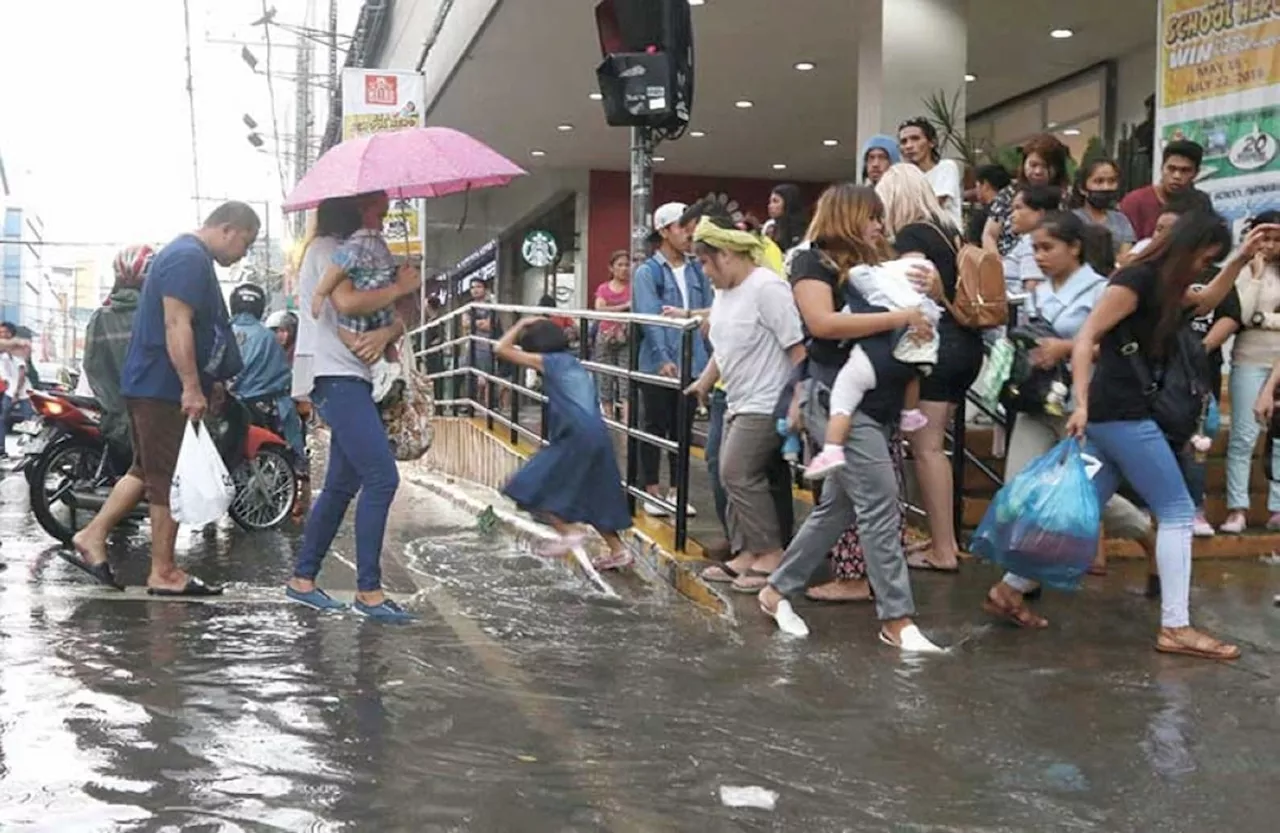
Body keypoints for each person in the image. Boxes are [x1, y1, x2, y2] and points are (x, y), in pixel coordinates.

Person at [756, 183, 944, 651]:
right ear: (848, 216)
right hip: (838, 399)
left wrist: (931, 287)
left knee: (837, 507)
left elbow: (925, 297)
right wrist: (901, 316)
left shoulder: (877, 262)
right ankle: (897, 618)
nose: (880, 225)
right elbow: (822, 323)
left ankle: (775, 589)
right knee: (881, 502)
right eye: (872, 216)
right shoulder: (810, 261)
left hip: (878, 399)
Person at [1063, 209, 1241, 660]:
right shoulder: (1137, 280)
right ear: (1188, 249)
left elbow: (1208, 301)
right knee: (1178, 511)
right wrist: (1080, 403)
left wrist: (1242, 257)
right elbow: (1087, 338)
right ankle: (1175, 626)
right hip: (1120, 411)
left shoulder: (1165, 285)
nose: (1206, 267)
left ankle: (1010, 588)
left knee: (1083, 508)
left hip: (1119, 412)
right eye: (1205, 258)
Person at [67, 201, 260, 595]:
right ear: (228, 228)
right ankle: (164, 571)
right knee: (165, 478)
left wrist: (209, 381)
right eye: (247, 241)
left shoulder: (187, 256)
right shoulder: (188, 257)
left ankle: (92, 534)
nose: (245, 252)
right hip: (162, 387)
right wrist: (190, 386)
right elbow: (177, 322)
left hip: (156, 386)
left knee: (144, 472)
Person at [981, 212, 1159, 619]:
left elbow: (1119, 349)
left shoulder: (1104, 291)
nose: (1040, 257)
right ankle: (1020, 581)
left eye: (1048, 248)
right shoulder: (1037, 293)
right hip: (1033, 401)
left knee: (1075, 494)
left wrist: (1064, 348)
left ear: (1074, 247)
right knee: (1019, 493)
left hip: (1080, 405)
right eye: (1036, 249)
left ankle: (1141, 532)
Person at [286, 195, 421, 619]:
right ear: (355, 209)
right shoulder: (329, 249)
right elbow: (345, 302)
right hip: (335, 375)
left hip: (352, 377)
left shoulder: (360, 252)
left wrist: (390, 327)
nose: (382, 222)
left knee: (344, 485)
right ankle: (369, 592)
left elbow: (394, 316)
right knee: (382, 478)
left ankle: (303, 579)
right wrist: (398, 288)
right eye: (376, 213)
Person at [684, 217, 806, 592]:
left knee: (736, 471)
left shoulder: (767, 288)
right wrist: (704, 382)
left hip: (768, 399)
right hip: (738, 398)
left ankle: (770, 553)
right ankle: (747, 552)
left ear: (727, 255)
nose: (705, 273)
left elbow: (797, 348)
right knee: (729, 471)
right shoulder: (725, 292)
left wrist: (799, 399)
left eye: (706, 263)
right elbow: (725, 347)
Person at [876, 163, 985, 573]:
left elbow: (911, 292)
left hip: (938, 349)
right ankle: (946, 542)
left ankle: (943, 547)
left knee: (927, 448)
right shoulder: (950, 231)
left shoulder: (912, 236)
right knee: (936, 447)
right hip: (966, 345)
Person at [496, 318, 633, 570]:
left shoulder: (547, 361)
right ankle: (618, 551)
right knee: (596, 495)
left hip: (574, 437)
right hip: (598, 435)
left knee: (527, 486)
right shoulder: (573, 362)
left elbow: (500, 349)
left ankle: (569, 532)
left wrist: (521, 323)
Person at [802, 255, 939, 480]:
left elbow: (830, 323)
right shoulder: (920, 304)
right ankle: (910, 412)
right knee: (913, 374)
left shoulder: (873, 284)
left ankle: (832, 448)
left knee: (843, 400)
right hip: (909, 359)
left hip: (870, 358)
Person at [632, 201, 713, 518]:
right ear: (664, 231)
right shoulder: (647, 272)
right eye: (681, 226)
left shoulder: (698, 268)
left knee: (682, 429)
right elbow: (650, 318)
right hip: (657, 364)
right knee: (654, 426)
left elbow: (708, 310)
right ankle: (651, 489)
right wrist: (663, 357)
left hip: (693, 361)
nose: (688, 233)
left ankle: (678, 493)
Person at [1221, 211, 1280, 533]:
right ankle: (1237, 509)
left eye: (1276, 239)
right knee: (1243, 436)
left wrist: (1265, 319)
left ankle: (1277, 508)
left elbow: (1258, 319)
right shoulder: (1242, 269)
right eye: (1264, 237)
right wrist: (1256, 275)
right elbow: (1241, 316)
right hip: (1248, 359)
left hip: (1279, 362)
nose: (1269, 245)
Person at [81, 244, 155, 458]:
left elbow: (92, 367)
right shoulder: (156, 315)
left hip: (114, 414)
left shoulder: (100, 317)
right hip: (152, 412)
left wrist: (113, 406)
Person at [228, 283, 305, 465]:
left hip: (226, 407)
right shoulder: (268, 337)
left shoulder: (221, 332)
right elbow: (283, 378)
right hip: (264, 409)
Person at [983, 134, 1070, 258]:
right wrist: (998, 265)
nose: (1038, 171)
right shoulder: (1009, 193)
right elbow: (989, 234)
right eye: (1033, 165)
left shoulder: (1064, 199)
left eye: (1045, 166)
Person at [1119, 139, 1215, 240]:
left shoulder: (1200, 202)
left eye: (1185, 170)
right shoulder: (1135, 201)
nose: (1177, 176)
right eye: (1171, 169)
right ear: (1162, 168)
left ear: (1196, 173)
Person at [897, 117, 963, 228]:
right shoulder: (903, 178)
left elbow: (933, 206)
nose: (908, 146)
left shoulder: (946, 167)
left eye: (915, 139)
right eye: (904, 141)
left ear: (932, 142)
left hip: (945, 237)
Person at [1072, 158, 1136, 263]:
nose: (1106, 187)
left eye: (1111, 181)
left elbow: (1125, 258)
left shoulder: (1121, 220)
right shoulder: (1073, 219)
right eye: (1099, 181)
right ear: (1082, 188)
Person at [593, 250, 632, 420]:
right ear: (611, 268)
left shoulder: (634, 287)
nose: (624, 269)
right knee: (605, 378)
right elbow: (599, 308)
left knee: (626, 378)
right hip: (606, 335)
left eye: (627, 265)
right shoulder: (603, 288)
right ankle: (608, 417)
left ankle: (625, 419)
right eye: (620, 265)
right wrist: (623, 307)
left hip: (627, 336)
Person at [0, 321, 35, 457]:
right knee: (2, 419)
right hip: (9, 391)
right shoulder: (3, 352)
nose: (2, 335)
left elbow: (22, 373)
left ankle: (30, 450)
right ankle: (1, 449)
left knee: (29, 423)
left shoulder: (17, 350)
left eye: (5, 332)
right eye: (0, 333)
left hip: (23, 392)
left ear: (11, 333)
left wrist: (15, 393)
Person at [968, 163, 1012, 245]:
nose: (976, 190)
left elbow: (972, 250)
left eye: (976, 185)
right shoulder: (1013, 211)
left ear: (985, 185)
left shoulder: (981, 217)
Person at [764, 184, 810, 252]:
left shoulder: (801, 228)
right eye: (770, 202)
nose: (770, 206)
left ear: (788, 202)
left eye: (775, 201)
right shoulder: (771, 227)